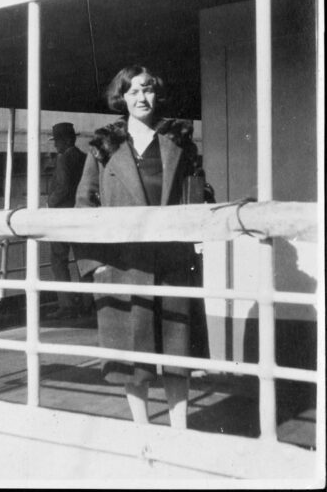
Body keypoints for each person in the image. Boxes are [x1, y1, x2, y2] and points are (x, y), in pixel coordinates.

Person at [75, 66, 209, 428]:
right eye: (132, 91)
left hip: (172, 263)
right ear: (122, 97)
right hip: (123, 266)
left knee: (176, 352)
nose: (141, 98)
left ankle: (180, 431)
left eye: (147, 90)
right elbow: (83, 206)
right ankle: (143, 432)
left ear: (157, 93)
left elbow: (201, 195)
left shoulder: (180, 142)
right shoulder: (103, 146)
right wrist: (95, 267)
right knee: (131, 360)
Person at [46, 122, 87, 319]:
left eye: (58, 141)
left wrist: (49, 204)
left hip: (61, 216)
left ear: (67, 140)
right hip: (80, 215)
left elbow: (62, 188)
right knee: (84, 260)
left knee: (58, 260)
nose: (56, 146)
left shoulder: (63, 159)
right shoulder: (84, 158)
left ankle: (67, 305)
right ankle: (89, 302)